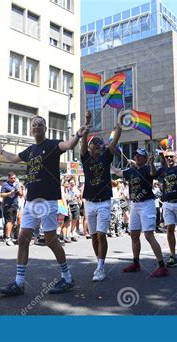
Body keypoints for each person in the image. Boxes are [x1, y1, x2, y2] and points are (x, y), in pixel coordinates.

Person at [0, 116, 88, 296]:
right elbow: (13, 158)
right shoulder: (30, 150)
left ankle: (67, 277)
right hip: (31, 201)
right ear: (31, 129)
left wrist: (78, 135)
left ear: (45, 128)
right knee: (23, 238)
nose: (37, 127)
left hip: (48, 200)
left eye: (40, 125)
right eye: (34, 125)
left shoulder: (52, 145)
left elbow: (67, 146)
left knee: (51, 240)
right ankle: (19, 283)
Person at [112, 149, 169, 277]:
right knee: (134, 235)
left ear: (145, 159)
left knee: (148, 235)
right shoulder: (132, 171)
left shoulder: (148, 168)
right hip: (134, 205)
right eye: (136, 155)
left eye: (140, 155)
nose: (137, 157)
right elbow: (119, 172)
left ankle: (162, 266)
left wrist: (153, 163)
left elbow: (153, 174)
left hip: (147, 204)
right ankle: (136, 263)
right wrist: (107, 164)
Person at [79, 111, 122, 281]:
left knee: (102, 234)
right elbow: (82, 141)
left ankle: (100, 267)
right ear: (89, 148)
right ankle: (99, 262)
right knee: (94, 235)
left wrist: (119, 123)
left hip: (104, 202)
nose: (97, 148)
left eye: (99, 146)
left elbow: (115, 139)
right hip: (89, 202)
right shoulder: (85, 159)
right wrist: (87, 122)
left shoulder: (106, 157)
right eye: (94, 146)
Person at [1, 172, 21, 246]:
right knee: (9, 221)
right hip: (8, 205)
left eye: (14, 178)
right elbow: (1, 194)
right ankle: (8, 237)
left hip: (15, 205)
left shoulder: (16, 184)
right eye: (12, 178)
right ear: (8, 178)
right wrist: (9, 193)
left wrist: (19, 189)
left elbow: (21, 195)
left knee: (13, 221)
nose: (13, 179)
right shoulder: (5, 185)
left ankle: (10, 236)